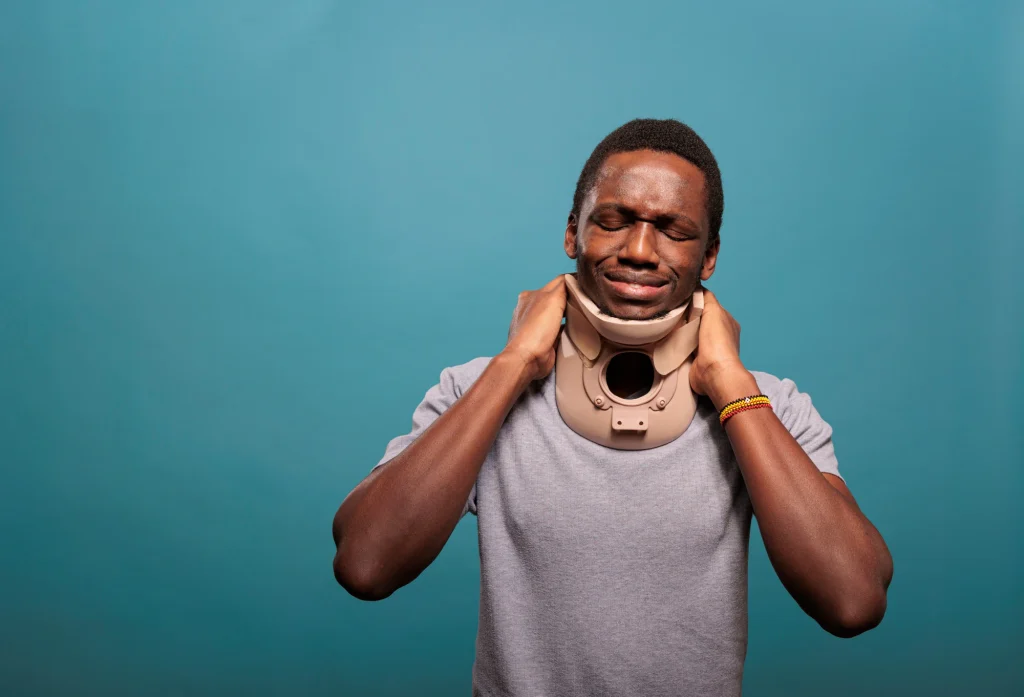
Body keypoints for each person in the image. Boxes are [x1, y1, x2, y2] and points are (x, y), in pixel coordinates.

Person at [332, 119, 893, 697]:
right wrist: (515, 362)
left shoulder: (765, 407)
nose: (640, 251)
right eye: (614, 220)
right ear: (573, 233)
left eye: (674, 231)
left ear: (710, 257)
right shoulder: (478, 391)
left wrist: (728, 383)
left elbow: (853, 601)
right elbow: (366, 565)